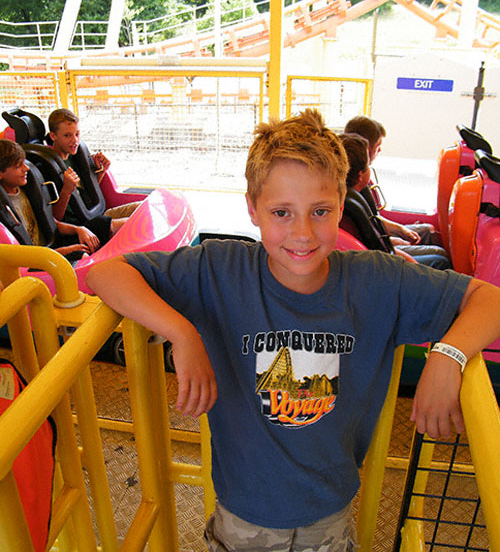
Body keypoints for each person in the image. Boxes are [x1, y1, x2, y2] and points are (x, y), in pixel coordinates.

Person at [86, 109, 500, 552]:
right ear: (252, 210)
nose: (302, 233)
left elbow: (489, 299)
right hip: (242, 514)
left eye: (319, 211)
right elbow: (105, 273)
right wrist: (183, 333)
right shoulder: (220, 268)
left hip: (330, 512)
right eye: (282, 212)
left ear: (342, 205)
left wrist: (449, 354)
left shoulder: (378, 280)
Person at [343, 116, 450, 262]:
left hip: (383, 246)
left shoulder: (354, 193)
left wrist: (399, 232)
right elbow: (373, 244)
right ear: (361, 173)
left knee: (429, 232)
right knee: (440, 258)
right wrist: (394, 243)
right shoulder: (351, 202)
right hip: (381, 255)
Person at [46, 109, 139, 237]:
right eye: (67, 135)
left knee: (143, 209)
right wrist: (66, 191)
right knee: (137, 223)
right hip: (80, 226)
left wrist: (101, 171)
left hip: (94, 214)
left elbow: (89, 194)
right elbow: (54, 218)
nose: (74, 140)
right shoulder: (47, 167)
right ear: (53, 136)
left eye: (77, 134)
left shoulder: (75, 157)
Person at [0, 140, 99, 260]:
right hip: (37, 261)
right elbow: (21, 256)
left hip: (52, 246)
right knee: (82, 256)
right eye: (18, 166)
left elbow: (51, 222)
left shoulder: (24, 192)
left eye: (24, 163)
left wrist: (78, 229)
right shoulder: (3, 209)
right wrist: (62, 251)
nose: (26, 168)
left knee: (103, 226)